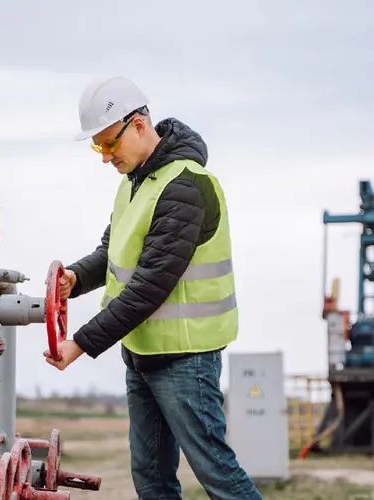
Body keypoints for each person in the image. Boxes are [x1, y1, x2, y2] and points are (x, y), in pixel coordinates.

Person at [42, 76, 262, 500]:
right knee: (151, 479)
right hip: (142, 356)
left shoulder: (186, 186)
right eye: (97, 148)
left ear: (140, 124)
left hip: (186, 361)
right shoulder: (135, 183)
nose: (105, 158)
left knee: (216, 472)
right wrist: (76, 278)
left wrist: (81, 344)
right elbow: (112, 251)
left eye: (109, 144)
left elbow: (149, 286)